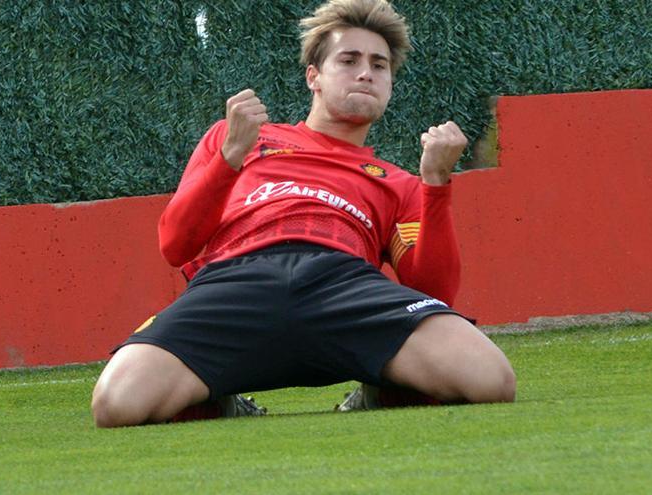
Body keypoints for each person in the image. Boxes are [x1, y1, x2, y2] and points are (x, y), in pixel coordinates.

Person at [91, 0, 516, 428]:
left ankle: (380, 393)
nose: (366, 72)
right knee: (117, 404)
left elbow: (432, 290)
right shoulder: (239, 138)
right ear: (314, 76)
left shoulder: (398, 182)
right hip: (237, 281)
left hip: (344, 284)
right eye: (349, 60)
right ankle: (221, 400)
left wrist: (435, 184)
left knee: (491, 380)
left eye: (379, 65)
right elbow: (175, 245)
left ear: (390, 83)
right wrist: (229, 157)